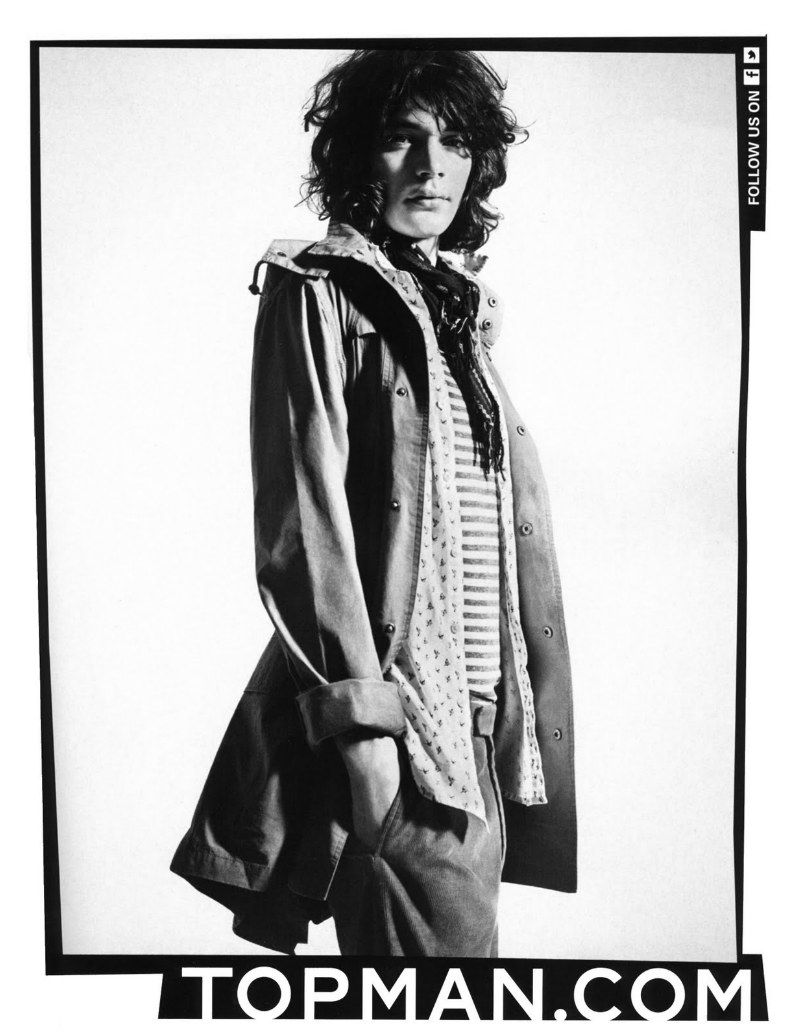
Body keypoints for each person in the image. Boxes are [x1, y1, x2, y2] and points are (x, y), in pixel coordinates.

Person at [171, 48, 576, 957]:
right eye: (403, 138)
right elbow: (303, 526)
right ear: (360, 154)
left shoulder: (459, 313)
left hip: (481, 737)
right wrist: (366, 743)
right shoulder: (318, 289)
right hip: (403, 742)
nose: (432, 166)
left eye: (456, 142)